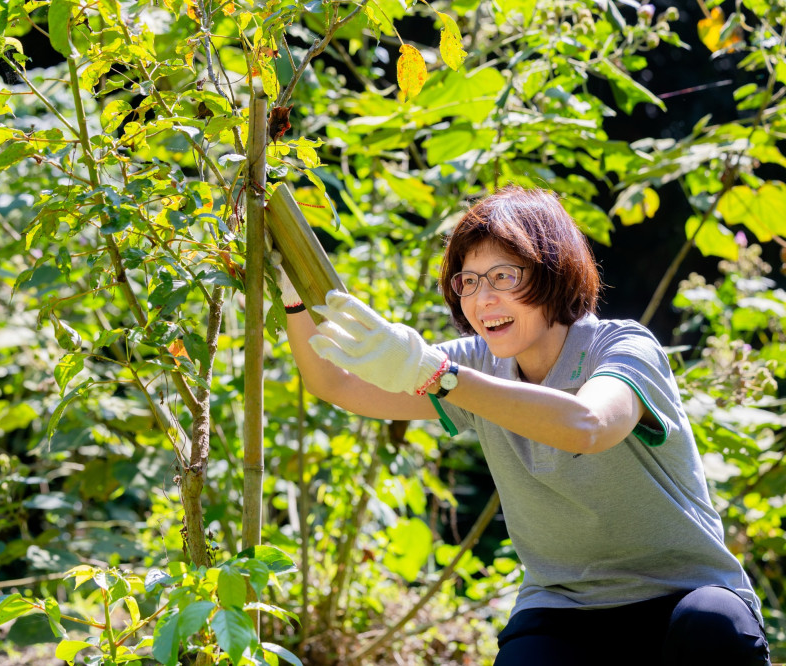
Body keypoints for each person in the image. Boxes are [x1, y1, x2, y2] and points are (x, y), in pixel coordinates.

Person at [276, 186, 771, 666]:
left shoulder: (622, 347)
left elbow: (589, 425)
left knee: (713, 627)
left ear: (553, 272)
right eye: (467, 281)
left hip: (684, 596)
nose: (481, 299)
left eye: (503, 277)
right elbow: (336, 384)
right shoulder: (476, 364)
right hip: (564, 607)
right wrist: (292, 299)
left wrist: (437, 376)